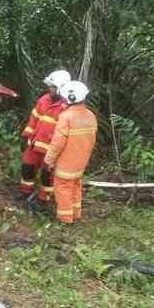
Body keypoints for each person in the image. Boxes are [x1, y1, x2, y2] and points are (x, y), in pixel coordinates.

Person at [44, 80, 97, 224]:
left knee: (63, 189)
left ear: (68, 98)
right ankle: (76, 213)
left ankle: (65, 219)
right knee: (75, 186)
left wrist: (48, 161)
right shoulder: (91, 115)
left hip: (66, 164)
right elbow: (92, 140)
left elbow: (57, 143)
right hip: (81, 163)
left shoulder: (66, 117)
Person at [19, 70, 71, 206]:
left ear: (61, 88)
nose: (50, 89)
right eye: (50, 86)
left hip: (51, 150)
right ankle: (25, 193)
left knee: (47, 176)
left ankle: (43, 200)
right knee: (27, 168)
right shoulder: (43, 100)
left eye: (53, 87)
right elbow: (33, 119)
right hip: (34, 145)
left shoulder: (66, 107)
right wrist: (25, 136)